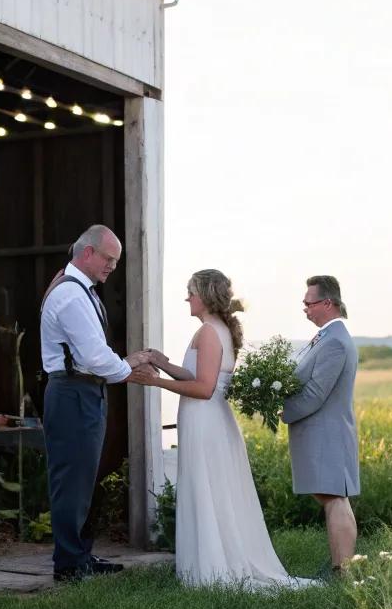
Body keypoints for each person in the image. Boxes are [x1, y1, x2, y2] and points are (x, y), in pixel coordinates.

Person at [146, 269, 315, 589]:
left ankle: (212, 570)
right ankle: (210, 562)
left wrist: (154, 381)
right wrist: (163, 363)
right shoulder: (216, 329)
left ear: (205, 296)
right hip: (207, 421)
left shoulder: (210, 332)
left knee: (207, 489)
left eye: (191, 291)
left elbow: (204, 387)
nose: (187, 298)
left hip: (206, 421)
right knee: (211, 489)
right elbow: (196, 374)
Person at [41, 223, 157, 582]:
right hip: (73, 391)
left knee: (84, 476)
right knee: (71, 478)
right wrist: (126, 367)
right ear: (88, 252)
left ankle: (81, 555)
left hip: (84, 390)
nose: (112, 267)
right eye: (109, 259)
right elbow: (93, 355)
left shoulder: (80, 290)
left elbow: (95, 354)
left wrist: (125, 363)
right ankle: (69, 564)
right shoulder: (72, 295)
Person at [281, 275, 360, 576]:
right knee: (334, 499)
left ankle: (343, 571)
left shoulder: (335, 342)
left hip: (327, 434)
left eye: (308, 303)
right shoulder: (327, 337)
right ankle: (343, 567)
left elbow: (315, 393)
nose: (305, 309)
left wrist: (284, 411)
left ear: (328, 303)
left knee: (334, 499)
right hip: (323, 434)